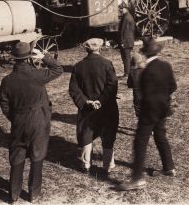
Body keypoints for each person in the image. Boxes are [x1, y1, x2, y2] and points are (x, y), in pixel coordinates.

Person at [0, 42, 63, 203]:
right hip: (38, 121)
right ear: (29, 57)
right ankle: (34, 194)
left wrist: (14, 118)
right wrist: (44, 57)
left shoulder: (7, 80)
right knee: (37, 156)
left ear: (14, 59)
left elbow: (4, 104)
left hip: (18, 121)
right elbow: (58, 69)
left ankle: (13, 195)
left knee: (17, 157)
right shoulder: (36, 75)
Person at [118, 37, 177, 191]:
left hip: (149, 112)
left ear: (145, 54)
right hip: (163, 109)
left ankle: (137, 179)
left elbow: (145, 95)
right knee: (160, 136)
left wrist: (148, 110)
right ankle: (169, 167)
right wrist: (164, 99)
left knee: (140, 143)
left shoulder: (146, 72)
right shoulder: (166, 66)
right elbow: (173, 86)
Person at [68, 38, 119, 174]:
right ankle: (107, 166)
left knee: (86, 134)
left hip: (87, 109)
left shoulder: (78, 66)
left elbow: (74, 89)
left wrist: (85, 101)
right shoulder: (107, 64)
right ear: (100, 49)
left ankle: (86, 165)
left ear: (86, 49)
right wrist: (100, 101)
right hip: (107, 107)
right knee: (108, 135)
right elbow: (112, 86)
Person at [118, 1, 136, 77]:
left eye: (121, 9)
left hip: (126, 41)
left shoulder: (126, 17)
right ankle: (128, 72)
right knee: (127, 57)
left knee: (126, 57)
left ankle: (127, 73)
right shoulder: (129, 16)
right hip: (129, 41)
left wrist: (122, 42)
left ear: (125, 9)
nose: (120, 11)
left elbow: (123, 31)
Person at [127, 52, 147, 118]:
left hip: (137, 94)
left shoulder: (132, 72)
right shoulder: (146, 70)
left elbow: (129, 84)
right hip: (147, 93)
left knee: (138, 108)